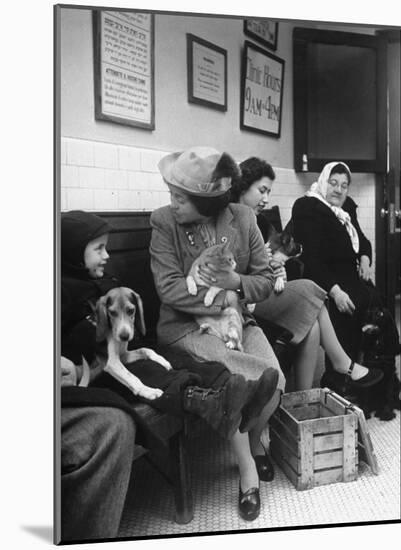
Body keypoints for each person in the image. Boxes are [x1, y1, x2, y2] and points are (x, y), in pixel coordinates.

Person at [60, 210, 268, 538]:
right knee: (157, 373)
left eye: (106, 247)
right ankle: (212, 400)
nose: (107, 255)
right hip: (101, 372)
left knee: (179, 364)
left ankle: (226, 387)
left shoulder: (100, 284)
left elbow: (129, 327)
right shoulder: (62, 292)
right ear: (73, 251)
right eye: (98, 249)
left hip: (128, 353)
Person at [150, 146, 284, 522]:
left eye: (181, 198)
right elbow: (170, 289)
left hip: (235, 321)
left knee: (276, 381)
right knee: (238, 381)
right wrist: (225, 296)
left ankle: (255, 441)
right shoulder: (163, 222)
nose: (173, 203)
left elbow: (264, 280)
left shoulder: (242, 218)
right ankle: (248, 473)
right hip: (184, 328)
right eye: (172, 195)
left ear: (205, 203)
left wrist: (236, 283)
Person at [231, 156, 383, 391]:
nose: (266, 199)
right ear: (243, 186)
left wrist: (275, 266)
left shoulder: (258, 220)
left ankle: (305, 399)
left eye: (268, 192)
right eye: (262, 191)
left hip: (264, 288)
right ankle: (342, 363)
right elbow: (237, 270)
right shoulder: (229, 220)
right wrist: (269, 269)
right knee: (314, 292)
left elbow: (265, 260)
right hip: (245, 297)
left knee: (311, 327)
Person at [290, 161, 398, 384]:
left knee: (380, 307)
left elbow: (364, 242)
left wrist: (366, 260)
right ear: (323, 181)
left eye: (344, 185)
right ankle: (340, 380)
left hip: (352, 278)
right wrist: (336, 292)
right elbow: (311, 259)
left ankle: (378, 379)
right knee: (351, 308)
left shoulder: (346, 208)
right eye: (333, 183)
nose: (338, 190)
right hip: (325, 280)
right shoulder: (307, 207)